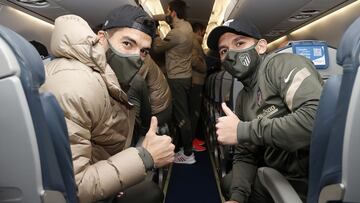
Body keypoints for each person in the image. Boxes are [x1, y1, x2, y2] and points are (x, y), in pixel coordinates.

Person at [41, 5, 175, 203]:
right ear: (102, 38)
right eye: (127, 44)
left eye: (144, 51)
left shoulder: (104, 76)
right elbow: (72, 188)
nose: (137, 58)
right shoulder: (77, 87)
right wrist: (145, 157)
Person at [207, 18, 323, 203]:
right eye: (224, 51)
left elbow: (316, 120)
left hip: (307, 177)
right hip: (275, 171)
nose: (231, 54)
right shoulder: (242, 98)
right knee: (230, 184)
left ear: (261, 46)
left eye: (239, 43)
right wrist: (236, 198)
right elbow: (245, 153)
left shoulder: (282, 65)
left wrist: (242, 130)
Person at [152, 0, 195, 164]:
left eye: (167, 11)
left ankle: (189, 154)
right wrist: (158, 17)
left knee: (181, 117)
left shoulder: (176, 33)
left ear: (174, 13)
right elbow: (167, 16)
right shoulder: (187, 26)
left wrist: (155, 31)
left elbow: (157, 48)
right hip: (185, 76)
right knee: (182, 114)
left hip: (176, 79)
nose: (166, 13)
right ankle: (182, 148)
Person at [138, 55, 172, 129]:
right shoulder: (142, 56)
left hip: (159, 109)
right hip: (163, 104)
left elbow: (132, 85)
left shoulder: (142, 59)